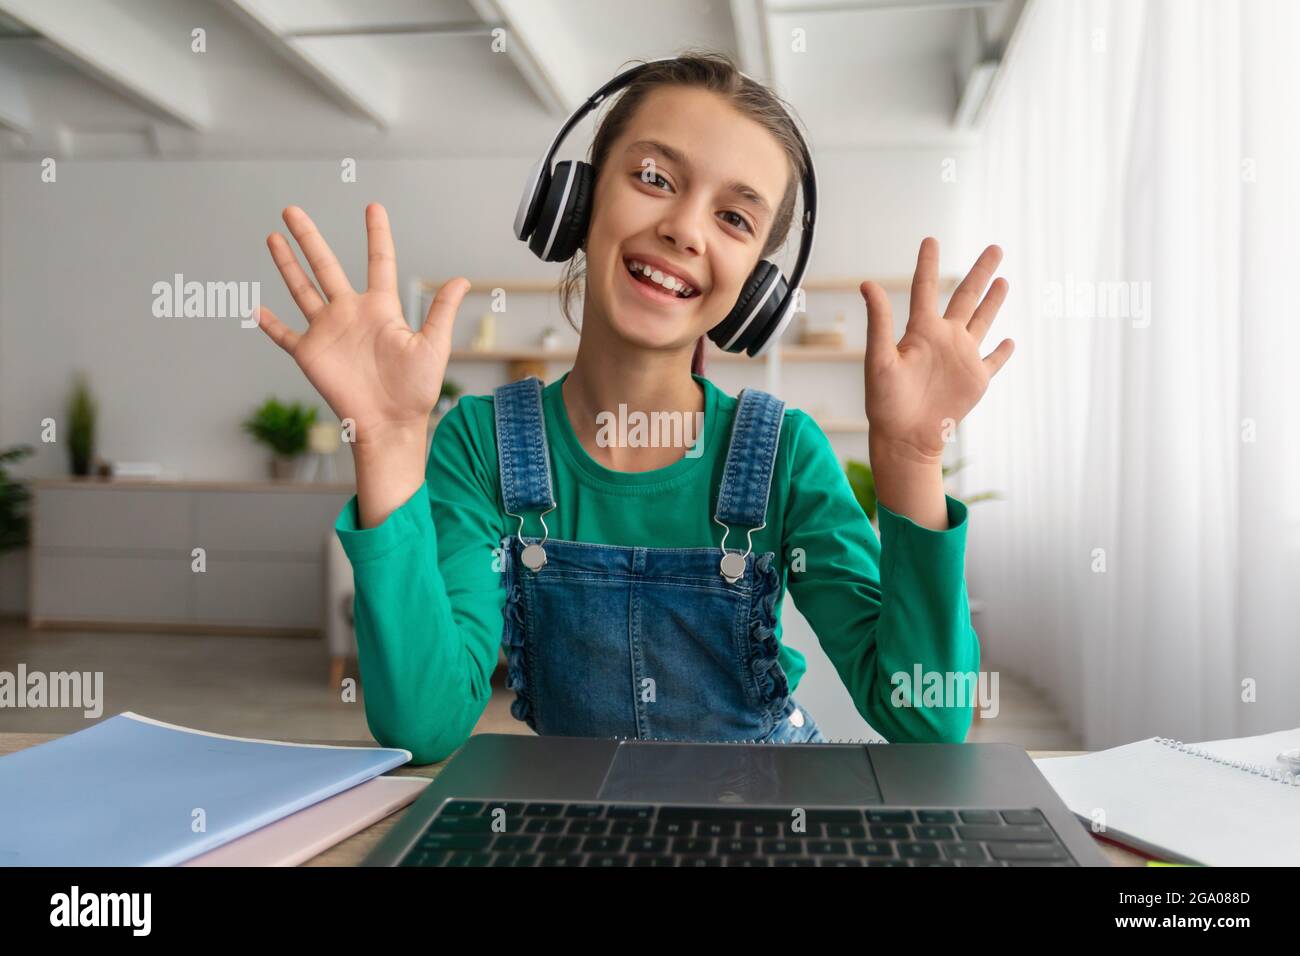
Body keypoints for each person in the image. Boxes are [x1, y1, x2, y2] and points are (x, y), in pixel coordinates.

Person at [253, 52, 1014, 765]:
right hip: (585, 827)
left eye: (735, 219)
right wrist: (385, 441)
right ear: (577, 202)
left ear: (755, 289)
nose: (684, 228)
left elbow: (928, 722)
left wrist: (914, 459)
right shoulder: (481, 446)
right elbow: (422, 727)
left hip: (766, 823)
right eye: (654, 177)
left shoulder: (784, 454)